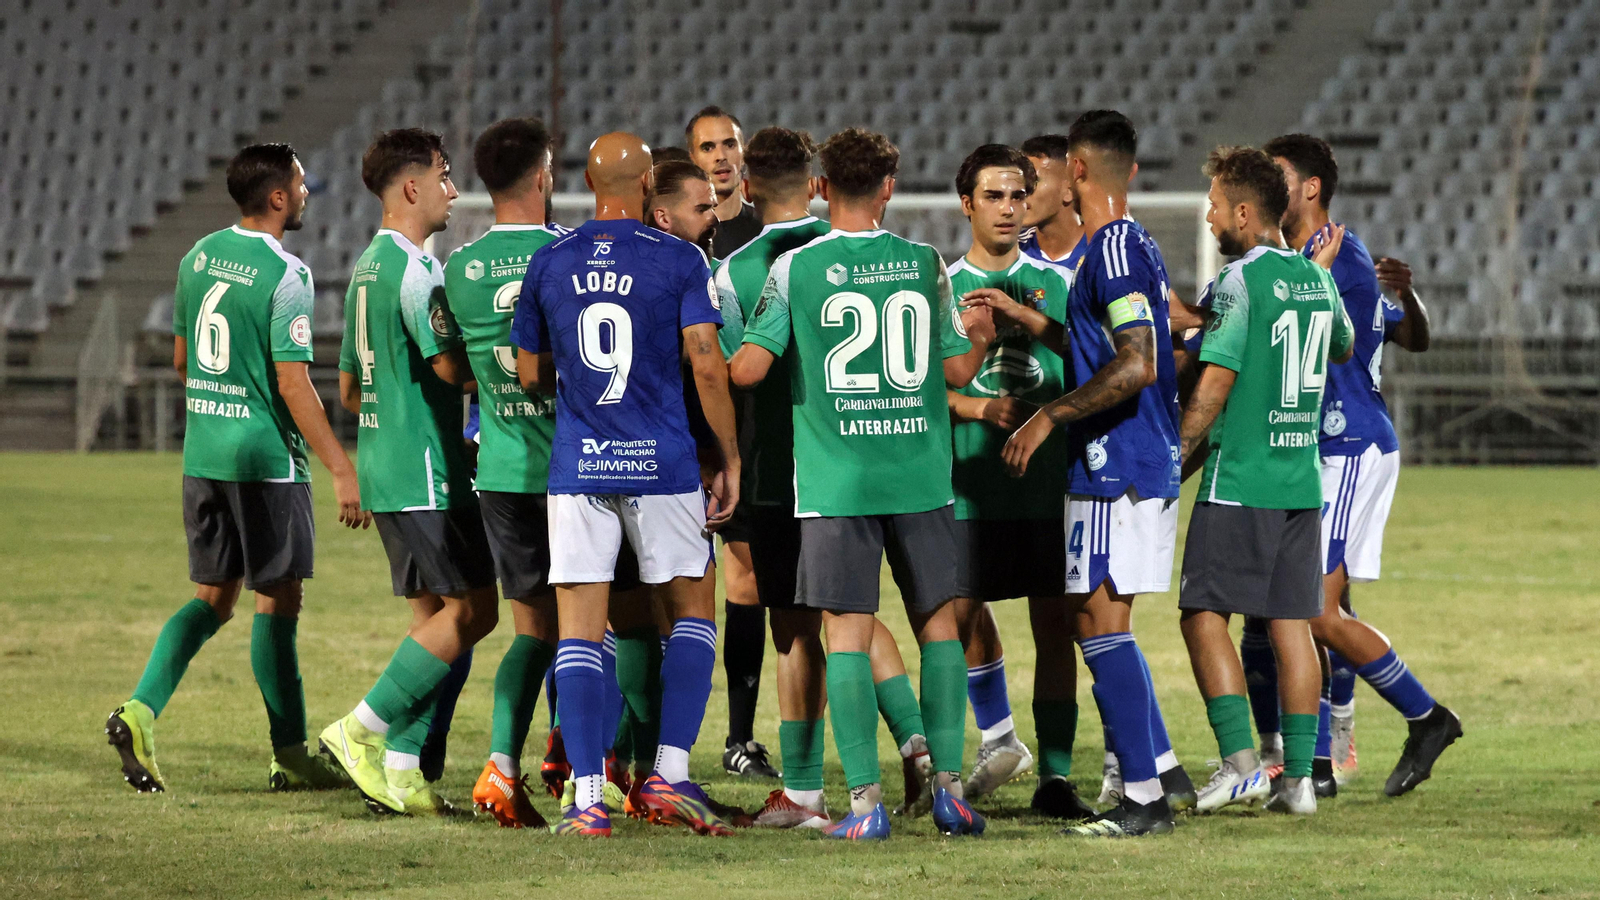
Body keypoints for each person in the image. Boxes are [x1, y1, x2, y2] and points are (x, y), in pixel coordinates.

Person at [730, 127, 992, 841]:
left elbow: (747, 370)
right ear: (888, 189)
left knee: (843, 637)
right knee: (938, 628)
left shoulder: (794, 270)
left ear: (820, 189)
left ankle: (867, 806)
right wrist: (985, 336)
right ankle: (947, 791)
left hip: (835, 481)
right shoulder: (923, 262)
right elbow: (957, 372)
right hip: (917, 475)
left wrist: (732, 337)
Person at [105, 143, 368, 794]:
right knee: (277, 601)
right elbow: (293, 382)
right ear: (277, 197)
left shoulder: (198, 256)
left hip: (204, 455)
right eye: (302, 185)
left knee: (213, 598)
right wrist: (341, 466)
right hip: (263, 460)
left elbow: (181, 359)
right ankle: (290, 754)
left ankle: (139, 711)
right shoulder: (287, 275)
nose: (306, 194)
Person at [511, 132, 741, 838]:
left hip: (580, 465)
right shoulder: (678, 258)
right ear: (648, 185)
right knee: (695, 610)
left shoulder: (548, 261)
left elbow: (527, 373)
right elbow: (706, 363)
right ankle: (668, 773)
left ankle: (586, 798)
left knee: (581, 629)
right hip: (664, 462)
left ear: (585, 179)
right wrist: (728, 455)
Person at [987, 110, 1195, 836]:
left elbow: (1136, 363)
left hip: (1116, 461)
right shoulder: (1134, 242)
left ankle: (1143, 795)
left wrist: (1049, 416)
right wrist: (1031, 318)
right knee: (1099, 623)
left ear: (1076, 172)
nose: (1029, 192)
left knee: (1099, 624)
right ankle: (1158, 768)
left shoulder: (1107, 250)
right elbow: (1108, 342)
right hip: (1136, 459)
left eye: (1040, 177)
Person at [1254, 133, 1460, 798]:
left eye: (1276, 175)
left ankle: (1425, 717)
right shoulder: (1315, 259)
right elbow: (1401, 328)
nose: (1265, 185)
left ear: (1310, 188)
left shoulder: (1342, 259)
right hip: (1325, 448)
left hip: (1349, 443)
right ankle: (1317, 760)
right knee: (1304, 604)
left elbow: (1367, 336)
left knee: (1313, 607)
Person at [318, 128, 496, 818]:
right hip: (427, 469)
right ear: (412, 187)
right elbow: (450, 366)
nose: (454, 192)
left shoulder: (365, 268)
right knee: (476, 610)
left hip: (385, 465)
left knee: (438, 622)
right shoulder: (417, 272)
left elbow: (349, 392)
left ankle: (401, 773)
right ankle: (359, 728)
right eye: (446, 177)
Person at [1176, 145, 1355, 815]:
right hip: (1300, 483)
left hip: (1242, 480)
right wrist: (1317, 279)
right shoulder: (1316, 278)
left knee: (1202, 615)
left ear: (1245, 212)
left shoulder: (1238, 282)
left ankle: (1240, 764)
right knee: (1291, 626)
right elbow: (1342, 345)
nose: (1209, 216)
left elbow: (1216, 379)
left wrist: (1178, 455)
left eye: (1216, 206)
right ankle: (1302, 783)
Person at [943, 144, 1095, 820]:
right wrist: (978, 406)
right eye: (994, 196)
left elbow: (1096, 362)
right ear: (967, 203)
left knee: (1053, 625)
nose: (1008, 208)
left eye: (1017, 195)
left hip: (1042, 486)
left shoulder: (1059, 284)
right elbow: (914, 387)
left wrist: (1030, 319)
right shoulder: (939, 286)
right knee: (956, 615)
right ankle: (998, 738)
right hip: (968, 481)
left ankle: (1056, 777)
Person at [432, 117, 567, 828]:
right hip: (573, 470)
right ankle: (589, 772)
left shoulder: (458, 268)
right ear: (544, 174)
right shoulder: (567, 256)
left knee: (533, 631)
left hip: (502, 469)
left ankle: (502, 766)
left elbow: (453, 367)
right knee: (590, 630)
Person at [687, 106, 762, 259]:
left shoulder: (766, 229)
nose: (720, 156)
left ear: (744, 153)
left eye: (729, 145)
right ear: (692, 159)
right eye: (708, 148)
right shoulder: (683, 235)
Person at [1018, 135, 1088, 270]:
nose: (1021, 191)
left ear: (1069, 190)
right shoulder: (1011, 254)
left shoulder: (1104, 252)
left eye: (1033, 180)